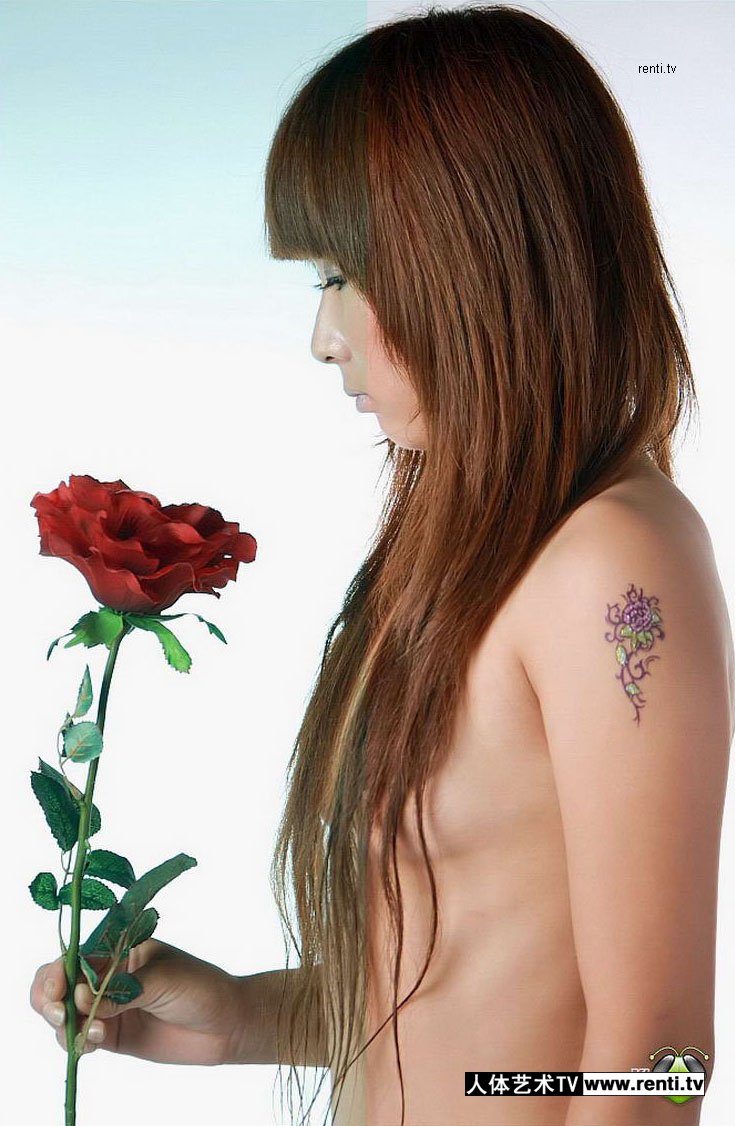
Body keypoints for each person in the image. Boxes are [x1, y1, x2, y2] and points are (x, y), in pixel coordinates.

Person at [30, 5, 734, 1125]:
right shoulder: (479, 550)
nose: (323, 336)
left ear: (479, 257)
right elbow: (467, 1002)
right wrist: (242, 1016)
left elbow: (657, 1059)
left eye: (345, 274)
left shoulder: (612, 568)